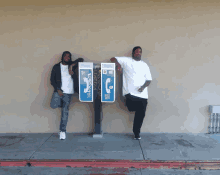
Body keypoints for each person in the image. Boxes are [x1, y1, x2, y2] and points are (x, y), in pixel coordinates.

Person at [110, 46, 152, 140]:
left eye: (140, 52)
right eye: (137, 52)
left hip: (143, 94)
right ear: (133, 53)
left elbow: (149, 80)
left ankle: (136, 133)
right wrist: (118, 65)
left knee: (141, 114)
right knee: (131, 107)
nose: (139, 53)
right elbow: (113, 58)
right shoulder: (126, 60)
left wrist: (143, 87)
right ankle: (130, 106)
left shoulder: (144, 65)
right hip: (129, 93)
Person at [50, 51, 84, 140]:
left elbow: (81, 60)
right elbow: (52, 80)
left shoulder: (72, 65)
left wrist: (72, 66)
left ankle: (62, 132)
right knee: (53, 105)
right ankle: (63, 104)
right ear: (62, 57)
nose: (67, 58)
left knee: (65, 112)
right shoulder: (56, 67)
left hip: (68, 93)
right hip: (59, 91)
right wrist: (57, 89)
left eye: (69, 56)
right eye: (65, 56)